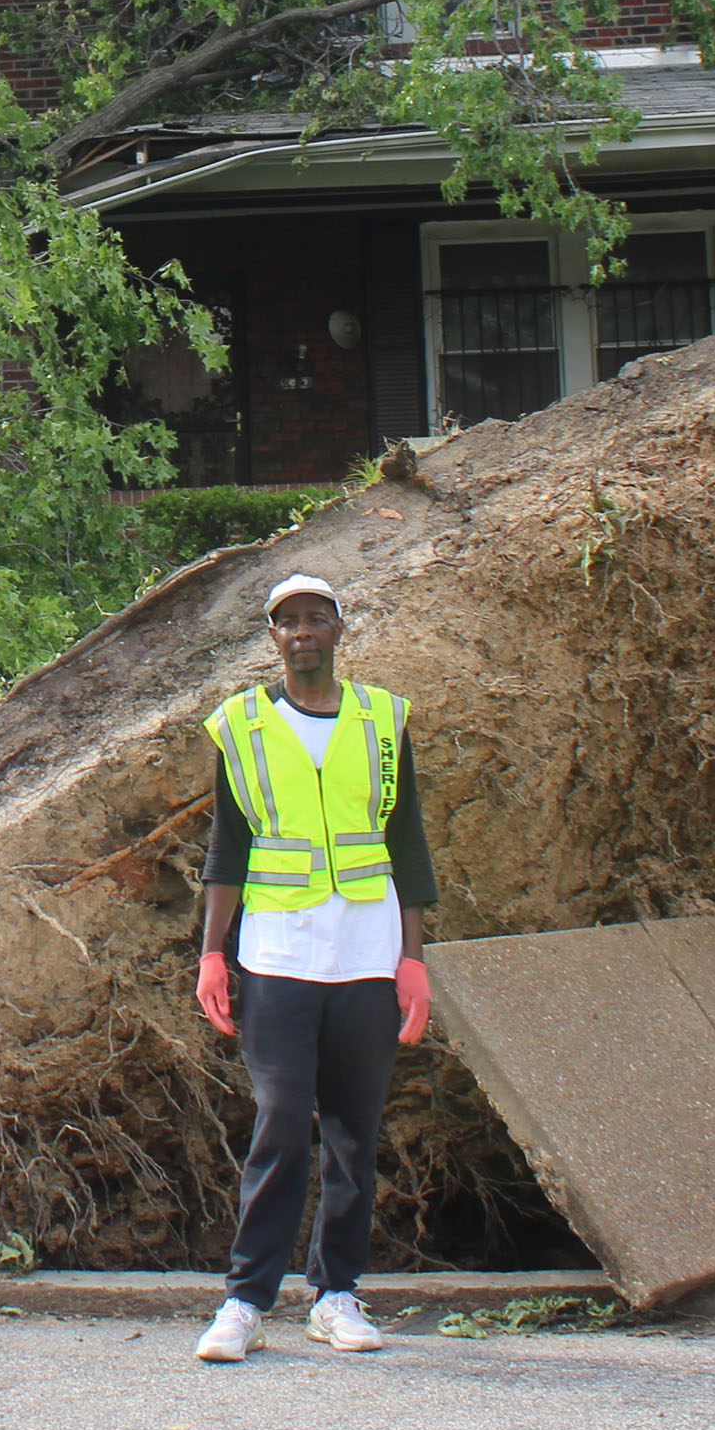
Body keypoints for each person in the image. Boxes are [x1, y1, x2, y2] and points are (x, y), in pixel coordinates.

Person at [190, 572, 436, 1364]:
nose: (302, 632)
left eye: (316, 619)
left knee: (353, 1137)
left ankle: (336, 1295)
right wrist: (211, 954)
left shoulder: (382, 720)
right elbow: (228, 849)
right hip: (277, 957)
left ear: (338, 629)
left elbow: (407, 843)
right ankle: (245, 1301)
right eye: (287, 621)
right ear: (271, 637)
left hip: (365, 956)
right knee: (281, 1125)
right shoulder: (243, 729)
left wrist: (413, 959)